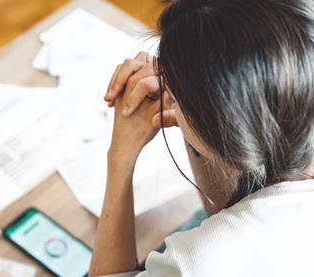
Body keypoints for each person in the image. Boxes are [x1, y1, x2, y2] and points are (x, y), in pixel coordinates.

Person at [89, 0, 314, 276]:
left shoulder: (197, 261)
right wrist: (194, 110)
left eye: (174, 94)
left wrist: (120, 156)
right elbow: (222, 204)